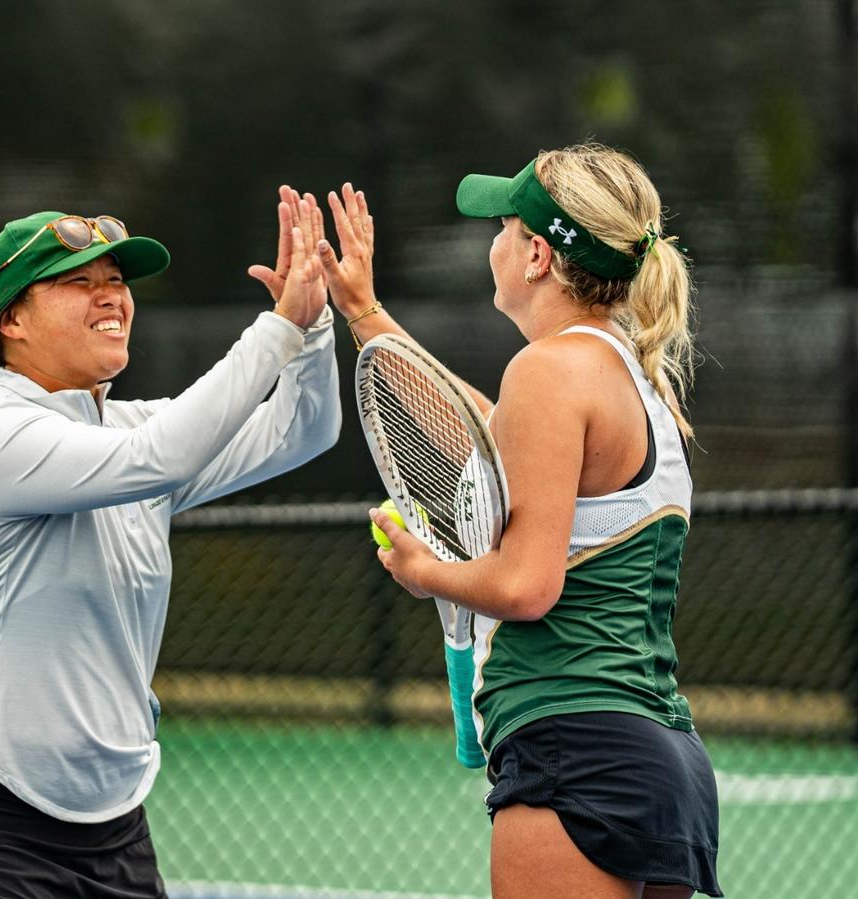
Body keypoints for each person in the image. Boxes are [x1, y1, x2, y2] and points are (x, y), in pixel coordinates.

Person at [0, 191, 340, 898]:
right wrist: (276, 327)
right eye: (77, 282)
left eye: (115, 280)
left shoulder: (127, 431)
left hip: (111, 826)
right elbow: (164, 456)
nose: (109, 295)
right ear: (12, 321)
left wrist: (316, 322)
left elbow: (304, 430)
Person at [320, 144, 720, 898]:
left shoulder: (546, 370)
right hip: (664, 760)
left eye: (503, 225)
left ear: (536, 254)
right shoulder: (629, 374)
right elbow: (488, 434)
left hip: (574, 745)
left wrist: (421, 570)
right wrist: (366, 314)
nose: (492, 242)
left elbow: (528, 585)